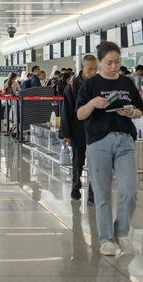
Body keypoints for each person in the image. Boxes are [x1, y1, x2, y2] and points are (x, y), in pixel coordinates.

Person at [76, 41, 143, 256]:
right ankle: (105, 239)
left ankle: (121, 232)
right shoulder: (91, 85)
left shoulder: (127, 83)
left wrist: (131, 112)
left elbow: (140, 110)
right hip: (99, 142)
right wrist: (92, 104)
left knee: (129, 191)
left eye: (117, 62)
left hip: (125, 140)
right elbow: (80, 114)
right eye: (109, 63)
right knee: (102, 193)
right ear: (100, 62)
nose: (114, 66)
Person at [59, 55, 98, 205]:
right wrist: (66, 134)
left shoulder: (99, 84)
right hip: (77, 129)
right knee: (78, 161)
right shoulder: (72, 86)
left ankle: (92, 196)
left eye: (95, 69)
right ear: (82, 68)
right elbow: (66, 112)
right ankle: (76, 186)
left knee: (95, 163)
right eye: (90, 69)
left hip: (95, 130)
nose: (93, 72)